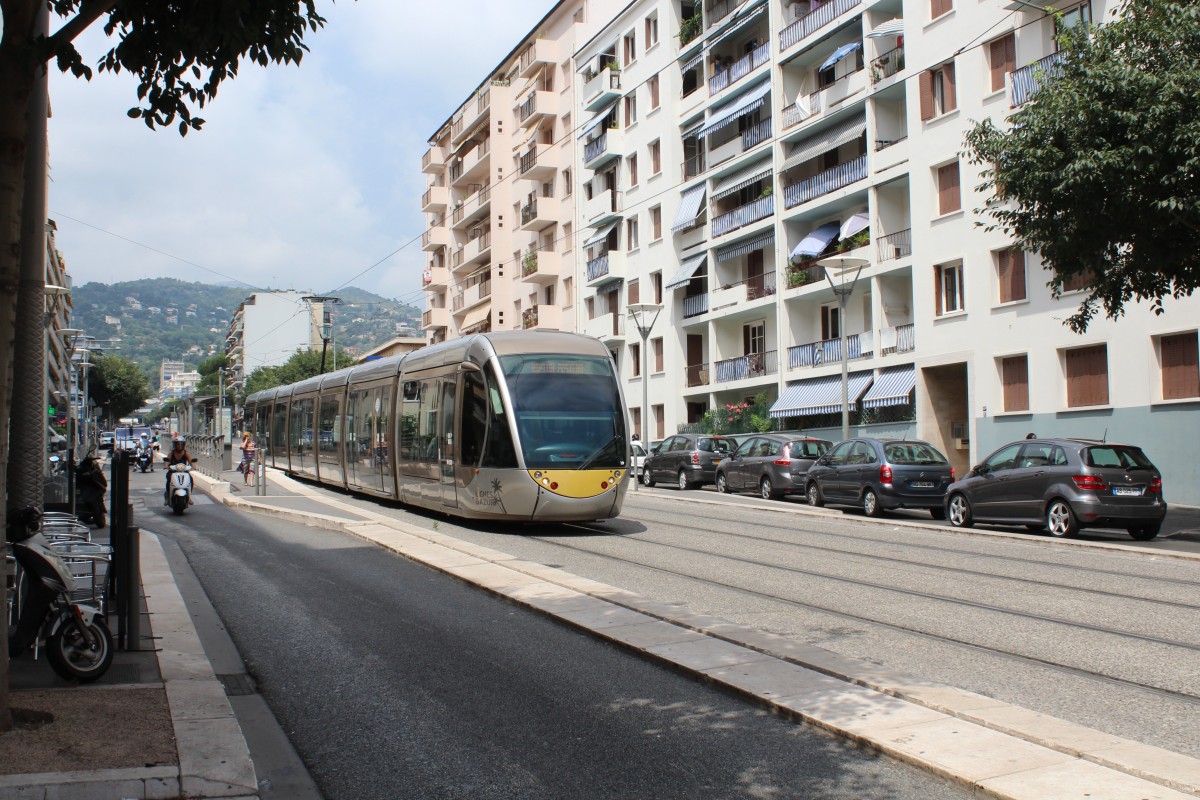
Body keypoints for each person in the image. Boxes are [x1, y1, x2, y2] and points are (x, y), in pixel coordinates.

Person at [164, 435, 194, 506]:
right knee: (168, 479)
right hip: (173, 471)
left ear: (183, 444)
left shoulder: (185, 453)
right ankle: (168, 497)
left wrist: (193, 466)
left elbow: (191, 462)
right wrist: (166, 465)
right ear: (175, 444)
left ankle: (189, 497)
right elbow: (167, 461)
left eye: (181, 444)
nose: (179, 445)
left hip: (184, 471)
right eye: (177, 444)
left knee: (191, 479)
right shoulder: (171, 453)